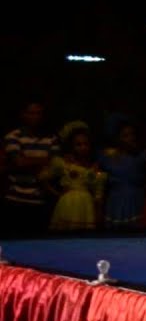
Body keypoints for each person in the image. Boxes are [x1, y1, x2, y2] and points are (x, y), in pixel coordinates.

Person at [3, 100, 59, 236]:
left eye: (38, 113)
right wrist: (44, 160)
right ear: (23, 114)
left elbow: (56, 164)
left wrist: (28, 160)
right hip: (16, 199)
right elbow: (19, 162)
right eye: (31, 113)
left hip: (40, 200)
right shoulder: (13, 136)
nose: (35, 117)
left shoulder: (52, 138)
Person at [45, 121, 106, 231]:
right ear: (71, 146)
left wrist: (99, 212)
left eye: (86, 144)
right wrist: (57, 193)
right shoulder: (65, 164)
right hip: (68, 203)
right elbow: (44, 178)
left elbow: (98, 194)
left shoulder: (94, 168)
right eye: (78, 144)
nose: (83, 147)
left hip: (86, 205)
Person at [99, 119, 146, 229]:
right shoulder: (108, 158)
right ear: (118, 139)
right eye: (125, 136)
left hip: (136, 200)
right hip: (115, 202)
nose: (131, 138)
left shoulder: (142, 156)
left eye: (132, 134)